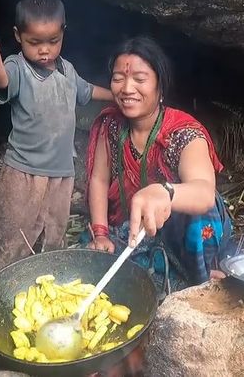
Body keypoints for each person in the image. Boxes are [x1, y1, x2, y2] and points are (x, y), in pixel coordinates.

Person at [0, 0, 113, 279]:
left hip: (61, 174)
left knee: (52, 233)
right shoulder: (17, 67)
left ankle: (42, 281)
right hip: (24, 172)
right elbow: (0, 79)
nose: (45, 50)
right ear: (18, 36)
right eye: (35, 42)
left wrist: (116, 96)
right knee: (11, 231)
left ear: (63, 33)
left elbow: (86, 91)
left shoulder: (67, 69)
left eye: (53, 41)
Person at [85, 36, 232, 291]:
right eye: (118, 78)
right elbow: (99, 179)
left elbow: (205, 193)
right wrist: (100, 233)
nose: (127, 88)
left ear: (160, 86)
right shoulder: (111, 126)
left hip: (181, 231)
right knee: (92, 264)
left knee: (200, 214)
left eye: (140, 79)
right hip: (134, 228)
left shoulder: (184, 133)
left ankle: (202, 275)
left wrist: (166, 192)